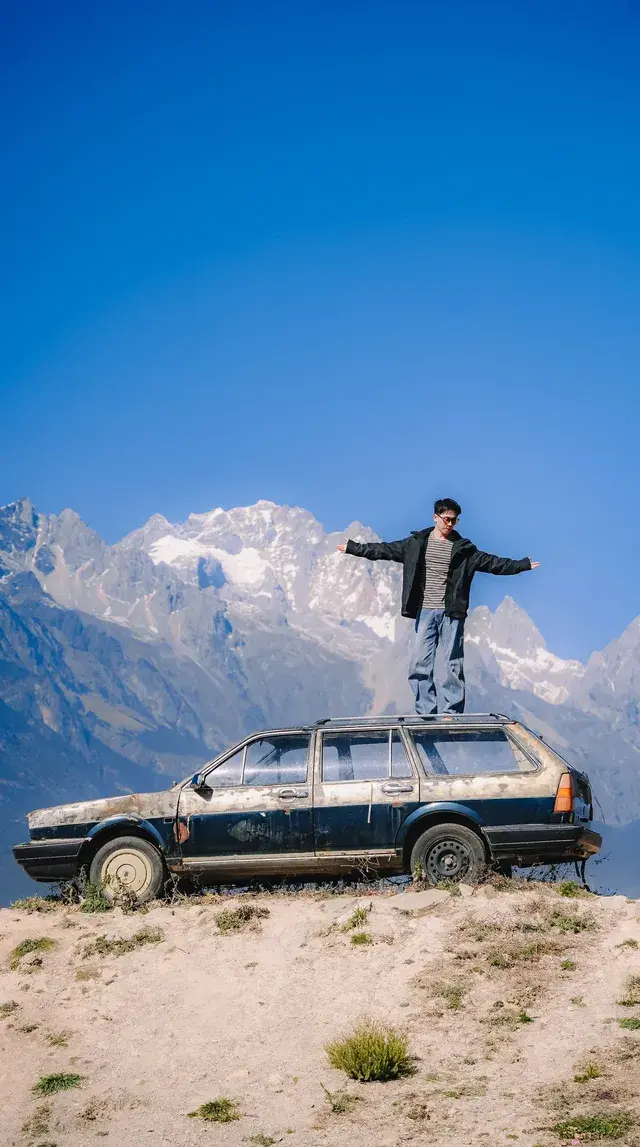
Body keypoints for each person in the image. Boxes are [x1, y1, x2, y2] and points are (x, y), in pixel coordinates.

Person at [337, 498, 539, 715]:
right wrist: (352, 547)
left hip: (452, 614)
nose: (450, 524)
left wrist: (520, 565)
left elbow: (493, 563)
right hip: (424, 612)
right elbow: (383, 550)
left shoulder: (464, 551)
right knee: (419, 664)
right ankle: (426, 713)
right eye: (446, 519)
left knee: (453, 664)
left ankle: (452, 713)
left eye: (454, 520)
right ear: (435, 517)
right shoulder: (415, 544)